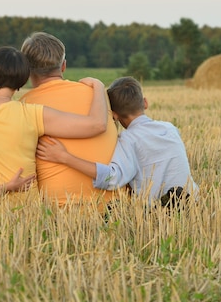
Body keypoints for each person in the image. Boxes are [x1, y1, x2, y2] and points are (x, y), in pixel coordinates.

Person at [0, 46, 108, 202]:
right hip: (26, 212)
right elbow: (96, 125)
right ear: (21, 83)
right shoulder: (32, 114)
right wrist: (98, 86)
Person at [36, 76, 198, 208]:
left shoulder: (129, 140)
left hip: (159, 209)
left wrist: (65, 157)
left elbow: (112, 178)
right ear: (145, 102)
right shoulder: (170, 128)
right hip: (194, 201)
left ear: (114, 115)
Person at [20, 32, 120, 207]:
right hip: (115, 205)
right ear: (63, 65)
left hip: (61, 208)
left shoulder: (24, 106)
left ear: (27, 71)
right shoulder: (97, 94)